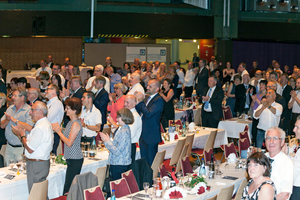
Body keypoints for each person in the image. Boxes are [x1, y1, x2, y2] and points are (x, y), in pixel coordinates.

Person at [11, 101, 53, 195]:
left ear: (40, 112)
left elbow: (30, 148)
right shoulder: (44, 124)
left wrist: (21, 136)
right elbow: (30, 143)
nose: (30, 113)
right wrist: (21, 136)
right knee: (40, 194)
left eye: (32, 110)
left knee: (36, 194)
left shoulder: (40, 127)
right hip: (39, 164)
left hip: (36, 165)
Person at [52, 97, 83, 195]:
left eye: (67, 108)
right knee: (69, 187)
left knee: (69, 188)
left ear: (74, 110)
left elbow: (69, 143)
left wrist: (59, 132)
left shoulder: (75, 124)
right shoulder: (70, 122)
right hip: (71, 158)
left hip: (75, 159)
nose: (65, 110)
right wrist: (60, 132)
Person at [1, 87, 34, 165]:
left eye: (15, 96)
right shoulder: (10, 108)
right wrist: (7, 120)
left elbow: (30, 128)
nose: (12, 98)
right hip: (9, 147)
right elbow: (2, 125)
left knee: (20, 173)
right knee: (8, 172)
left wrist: (14, 120)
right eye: (13, 95)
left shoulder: (29, 110)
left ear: (22, 98)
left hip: (21, 148)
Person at [135, 79, 164, 166]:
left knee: (152, 163)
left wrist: (140, 101)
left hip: (151, 136)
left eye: (150, 86)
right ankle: (146, 179)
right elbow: (139, 111)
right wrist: (136, 102)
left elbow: (148, 114)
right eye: (147, 85)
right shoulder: (148, 98)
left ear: (157, 89)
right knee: (144, 162)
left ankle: (153, 179)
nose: (147, 88)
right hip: (143, 134)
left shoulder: (159, 100)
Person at [100, 108, 133, 180]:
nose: (117, 119)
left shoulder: (124, 131)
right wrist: (108, 140)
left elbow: (117, 151)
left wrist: (107, 141)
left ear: (123, 117)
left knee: (119, 188)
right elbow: (117, 145)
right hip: (120, 163)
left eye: (118, 117)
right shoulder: (124, 129)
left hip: (119, 164)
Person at [265, 127, 293, 200]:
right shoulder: (262, 158)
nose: (271, 141)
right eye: (268, 138)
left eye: (275, 138)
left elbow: (285, 195)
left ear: (282, 142)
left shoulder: (287, 163)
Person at [45, 84, 64, 154]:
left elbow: (48, 118)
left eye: (48, 89)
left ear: (54, 91)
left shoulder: (57, 103)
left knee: (51, 156)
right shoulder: (50, 103)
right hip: (49, 133)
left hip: (53, 133)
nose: (45, 91)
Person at [251, 80, 268, 147]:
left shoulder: (266, 96)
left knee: (258, 133)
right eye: (260, 85)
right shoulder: (258, 94)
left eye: (263, 85)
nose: (261, 86)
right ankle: (255, 145)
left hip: (261, 116)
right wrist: (253, 101)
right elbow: (252, 106)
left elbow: (263, 104)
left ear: (266, 86)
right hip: (255, 114)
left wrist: (256, 99)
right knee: (254, 132)